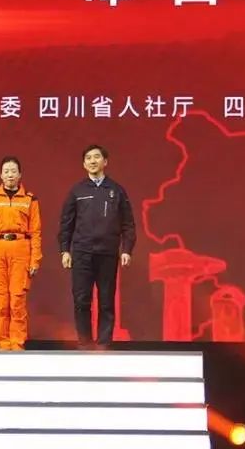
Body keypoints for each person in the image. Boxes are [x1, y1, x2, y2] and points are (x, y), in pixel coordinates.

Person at [58, 144, 135, 349]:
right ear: (84, 164)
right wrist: (65, 250)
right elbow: (66, 223)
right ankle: (85, 343)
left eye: (97, 157)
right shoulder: (77, 191)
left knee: (106, 301)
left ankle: (103, 344)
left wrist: (126, 250)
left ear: (105, 161)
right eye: (88, 158)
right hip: (82, 253)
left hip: (108, 253)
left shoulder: (116, 190)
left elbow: (128, 223)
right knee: (81, 300)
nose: (93, 161)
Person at [0, 156, 42, 351]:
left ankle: (17, 343)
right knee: (0, 302)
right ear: (1, 175)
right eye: (6, 171)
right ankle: (3, 344)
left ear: (20, 174)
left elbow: (36, 232)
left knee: (17, 300)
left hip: (21, 250)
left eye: (13, 171)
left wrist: (35, 260)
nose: (10, 175)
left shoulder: (30, 199)